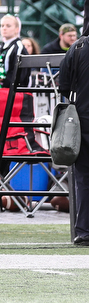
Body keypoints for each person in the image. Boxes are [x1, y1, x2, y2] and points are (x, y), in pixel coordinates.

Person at [56, 33, 89, 246]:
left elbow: (64, 87)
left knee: (83, 177)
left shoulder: (76, 47)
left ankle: (83, 230)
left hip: (83, 120)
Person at [0, 14, 31, 87]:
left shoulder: (19, 48)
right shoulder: (0, 47)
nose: (4, 28)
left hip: (14, 92)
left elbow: (18, 75)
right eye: (2, 26)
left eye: (8, 26)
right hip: (1, 89)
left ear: (17, 29)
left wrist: (4, 82)